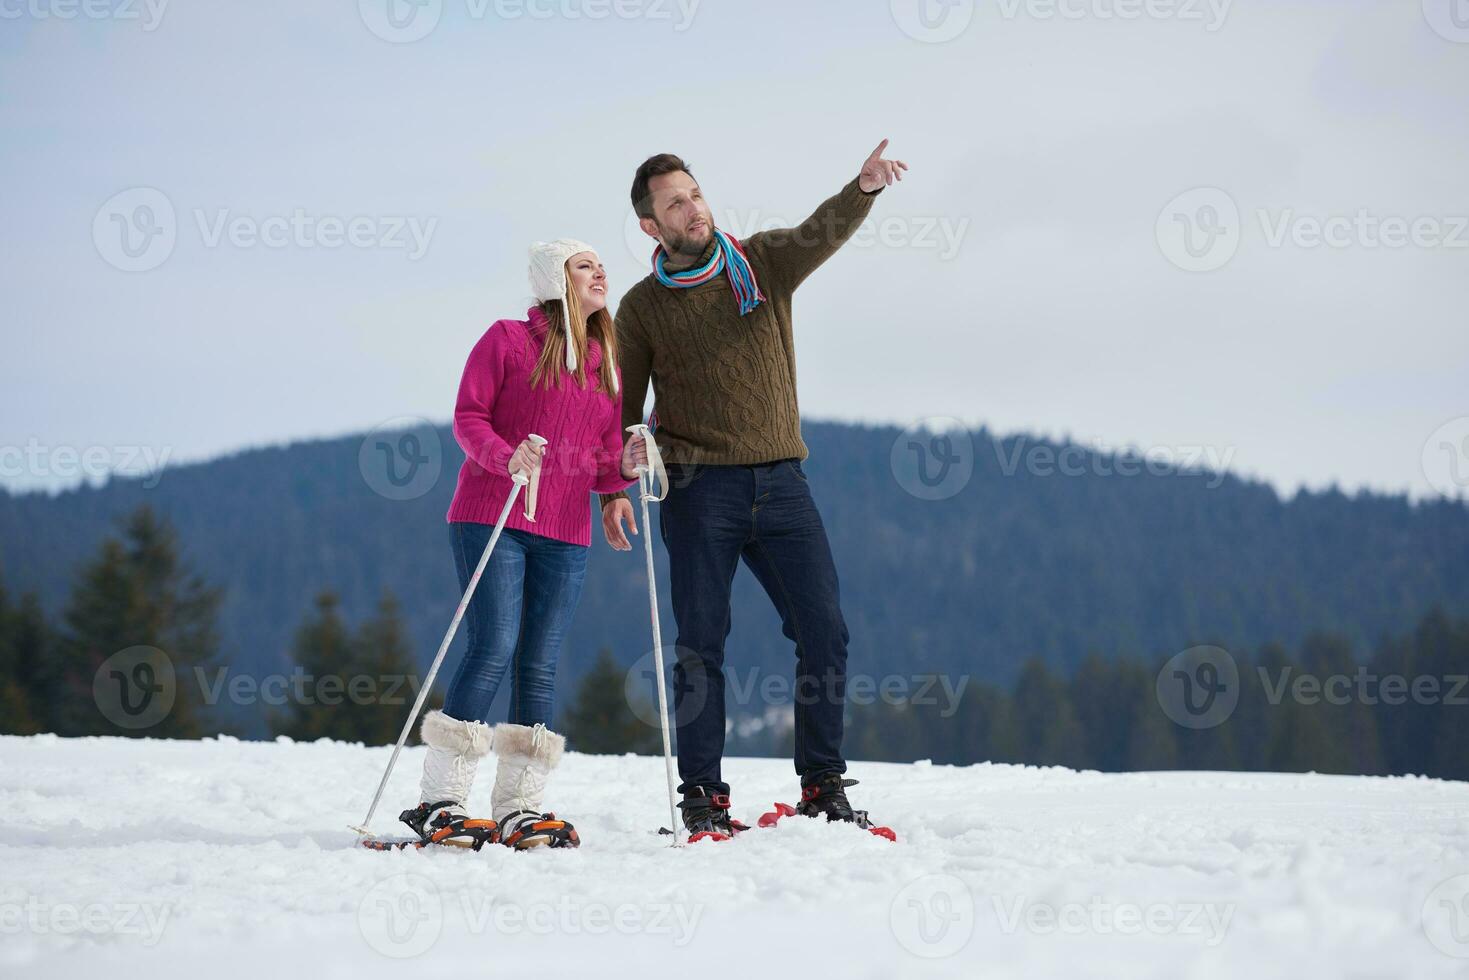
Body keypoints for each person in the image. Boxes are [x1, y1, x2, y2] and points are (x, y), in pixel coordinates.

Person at [599, 141, 908, 839]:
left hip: (781, 481)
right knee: (700, 644)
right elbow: (620, 406)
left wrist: (860, 188)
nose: (691, 208)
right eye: (673, 202)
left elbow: (818, 234)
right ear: (651, 226)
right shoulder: (642, 307)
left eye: (694, 193)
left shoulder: (762, 263)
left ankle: (822, 784)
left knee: (823, 630)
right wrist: (609, 487)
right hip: (697, 489)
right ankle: (703, 796)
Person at [404, 239, 647, 850]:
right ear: (554, 279)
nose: (600, 271)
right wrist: (506, 456)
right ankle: (441, 802)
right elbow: (469, 417)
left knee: (539, 662)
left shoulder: (605, 362)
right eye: (584, 264)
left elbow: (598, 460)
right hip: (495, 512)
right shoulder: (509, 340)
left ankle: (519, 808)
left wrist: (626, 471)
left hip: (565, 531)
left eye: (600, 264)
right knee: (495, 644)